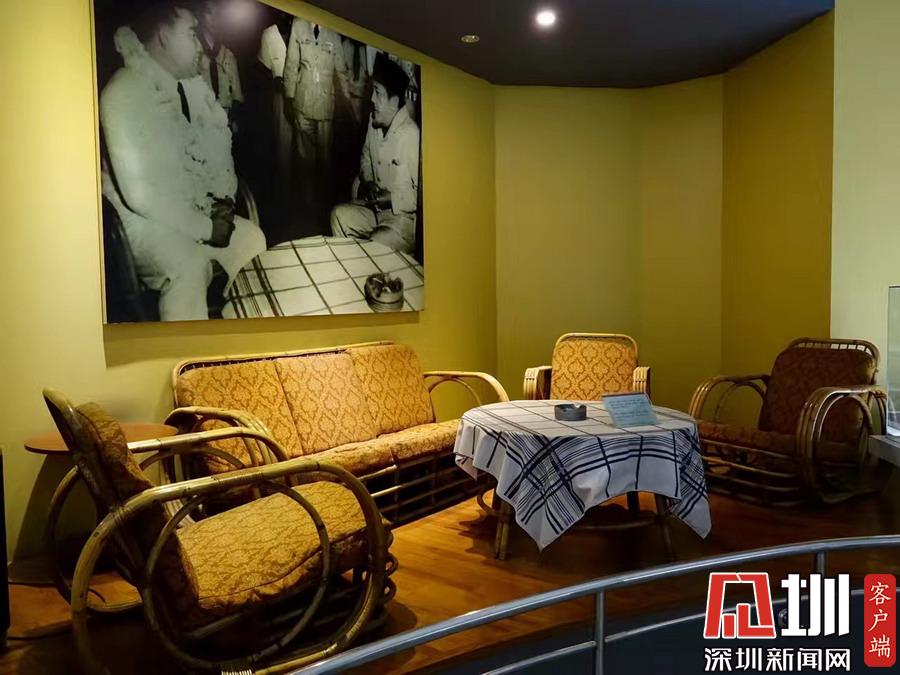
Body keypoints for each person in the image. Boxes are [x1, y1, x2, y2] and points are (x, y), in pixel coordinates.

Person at [99, 3, 265, 321]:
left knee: (251, 239)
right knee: (188, 264)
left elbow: (194, 165)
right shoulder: (124, 90)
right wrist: (207, 227)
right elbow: (141, 197)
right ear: (163, 36)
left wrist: (216, 203)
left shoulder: (180, 88)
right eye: (190, 33)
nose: (199, 43)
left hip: (182, 210)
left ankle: (242, 331)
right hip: (138, 221)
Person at [331, 55, 420, 254]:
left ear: (394, 101)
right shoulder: (374, 125)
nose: (371, 99)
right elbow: (365, 159)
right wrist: (369, 182)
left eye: (377, 93)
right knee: (339, 215)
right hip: (374, 213)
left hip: (402, 223)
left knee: (376, 241)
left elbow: (423, 195)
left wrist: (392, 199)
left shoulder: (411, 135)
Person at [283, 17, 349, 231]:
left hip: (325, 106)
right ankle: (307, 207)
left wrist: (346, 103)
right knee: (304, 160)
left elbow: (341, 70)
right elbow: (291, 64)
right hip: (302, 103)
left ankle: (323, 208)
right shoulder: (299, 24)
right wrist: (289, 98)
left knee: (325, 161)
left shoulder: (334, 28)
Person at [195, 0, 243, 122]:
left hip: (224, 120)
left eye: (218, 14)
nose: (214, 19)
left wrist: (231, 120)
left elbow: (237, 96)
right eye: (209, 12)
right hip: (200, 119)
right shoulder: (193, 52)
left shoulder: (228, 55)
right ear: (201, 15)